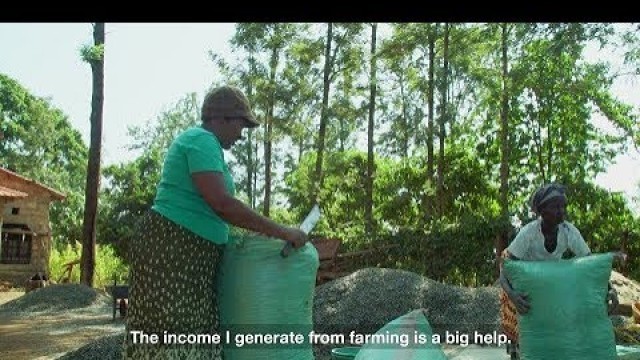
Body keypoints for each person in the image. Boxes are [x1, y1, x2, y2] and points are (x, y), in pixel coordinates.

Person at [123, 85, 308, 359]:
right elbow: (222, 204)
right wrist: (282, 231)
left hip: (190, 260)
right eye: (240, 126)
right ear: (221, 118)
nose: (241, 135)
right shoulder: (200, 140)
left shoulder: (208, 147)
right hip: (172, 252)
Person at [498, 183, 622, 360]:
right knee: (522, 331)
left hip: (549, 283)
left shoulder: (568, 231)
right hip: (520, 285)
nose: (561, 210)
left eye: (563, 205)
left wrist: (610, 289)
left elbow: (591, 266)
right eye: (555, 206)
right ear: (542, 211)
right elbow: (504, 269)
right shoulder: (529, 233)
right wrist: (513, 295)